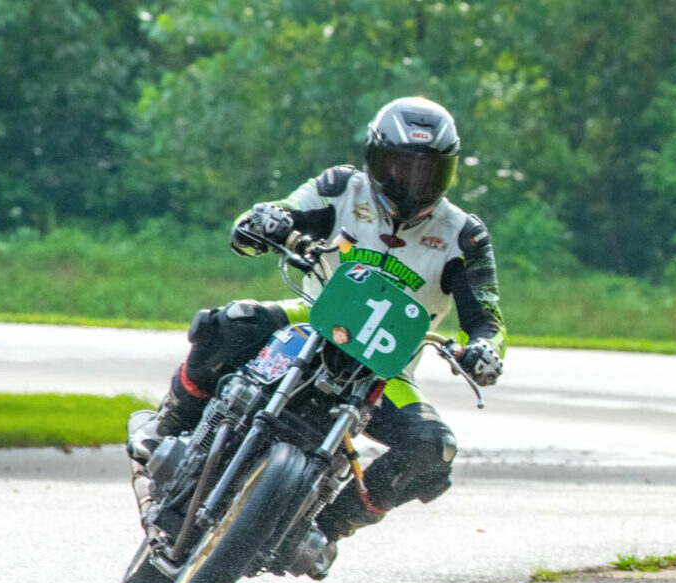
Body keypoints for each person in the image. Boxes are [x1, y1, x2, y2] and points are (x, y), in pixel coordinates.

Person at [131, 96, 505, 547]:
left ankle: (325, 530)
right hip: (312, 320)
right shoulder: (342, 187)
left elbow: (487, 318)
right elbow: (284, 210)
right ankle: (166, 426)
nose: (411, 182)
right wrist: (265, 221)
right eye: (399, 166)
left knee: (433, 449)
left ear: (449, 171)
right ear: (374, 157)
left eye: (427, 171)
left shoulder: (464, 234)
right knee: (232, 321)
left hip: (386, 367)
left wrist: (484, 350)